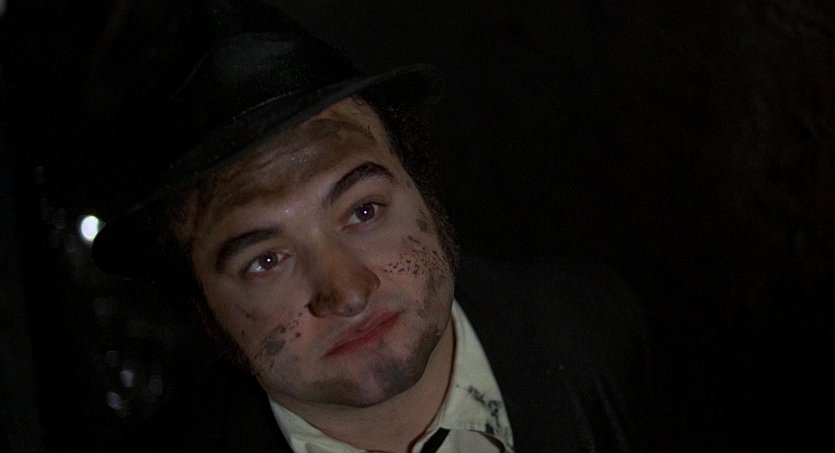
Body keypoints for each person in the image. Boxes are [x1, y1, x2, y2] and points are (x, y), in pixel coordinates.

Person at [91, 0, 652, 451]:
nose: (348, 293)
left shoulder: (594, 327)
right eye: (266, 260)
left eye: (364, 211)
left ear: (422, 192)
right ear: (204, 312)